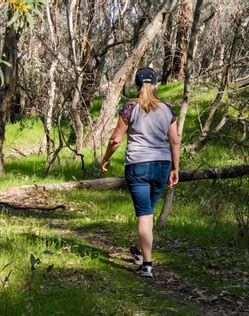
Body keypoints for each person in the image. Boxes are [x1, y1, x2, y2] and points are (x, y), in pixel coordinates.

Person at [100, 67, 180, 278]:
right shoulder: (167, 109)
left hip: (138, 165)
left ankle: (147, 265)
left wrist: (106, 158)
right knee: (148, 212)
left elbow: (116, 139)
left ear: (136, 85)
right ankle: (138, 251)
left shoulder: (129, 108)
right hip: (162, 164)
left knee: (145, 214)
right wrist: (175, 168)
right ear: (155, 85)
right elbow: (175, 141)